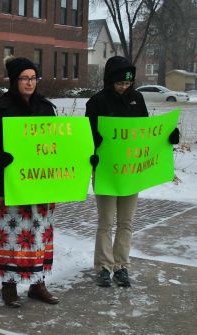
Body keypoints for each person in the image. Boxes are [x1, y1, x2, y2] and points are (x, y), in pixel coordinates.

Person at [85, 55, 179, 288]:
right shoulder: (96, 102)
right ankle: (104, 267)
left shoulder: (137, 99)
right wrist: (92, 151)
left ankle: (121, 266)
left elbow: (146, 133)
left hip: (131, 172)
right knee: (106, 222)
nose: (124, 88)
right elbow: (87, 137)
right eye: (119, 84)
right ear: (110, 81)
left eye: (128, 84)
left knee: (126, 222)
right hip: (107, 170)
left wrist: (169, 137)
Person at [0, 56, 59, 308]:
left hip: (40, 184)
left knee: (38, 234)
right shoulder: (2, 108)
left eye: (33, 78)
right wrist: (0, 158)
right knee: (13, 235)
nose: (30, 83)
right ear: (15, 81)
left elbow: (57, 146)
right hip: (11, 184)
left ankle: (38, 284)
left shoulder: (47, 108)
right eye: (24, 78)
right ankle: (9, 285)